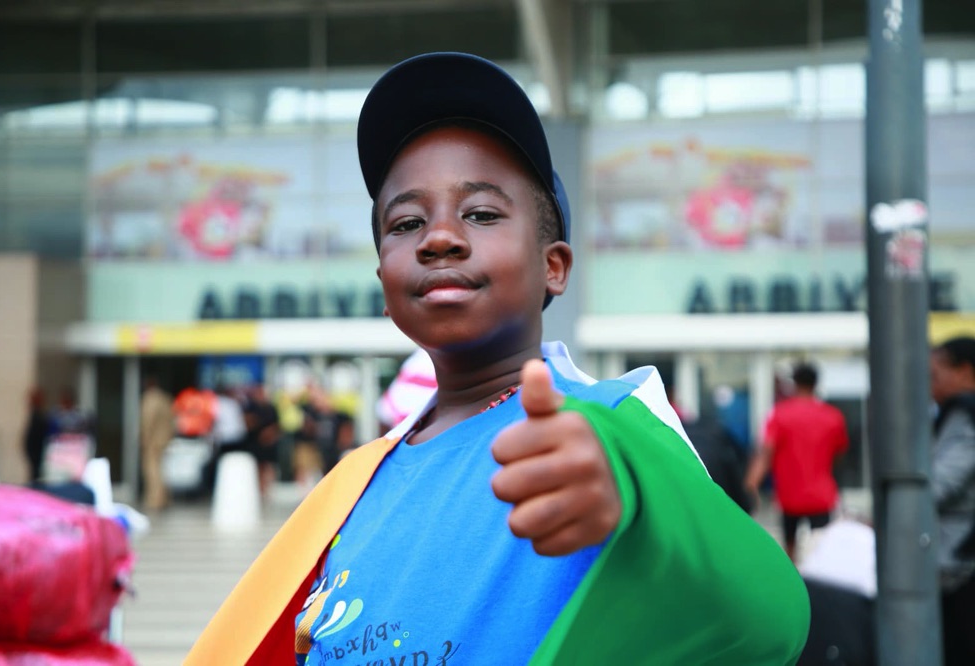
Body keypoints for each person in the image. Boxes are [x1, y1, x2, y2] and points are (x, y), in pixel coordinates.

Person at [186, 52, 808, 665]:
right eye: (405, 223)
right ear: (383, 281)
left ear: (553, 266)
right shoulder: (352, 484)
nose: (438, 237)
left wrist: (637, 498)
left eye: (481, 214)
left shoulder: (608, 426)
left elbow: (772, 617)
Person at [745, 362, 849, 560]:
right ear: (816, 384)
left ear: (794, 383)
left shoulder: (780, 414)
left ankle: (793, 579)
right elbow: (839, 453)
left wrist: (751, 484)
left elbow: (766, 453)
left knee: (790, 551)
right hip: (821, 495)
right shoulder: (832, 416)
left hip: (789, 496)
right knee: (821, 550)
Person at [929, 336, 975, 666]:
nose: (930, 385)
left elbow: (940, 484)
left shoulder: (964, 412)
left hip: (960, 561)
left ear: (965, 372)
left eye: (935, 375)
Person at [140, 375, 175, 511]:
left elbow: (148, 421)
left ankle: (155, 500)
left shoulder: (150, 399)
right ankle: (164, 498)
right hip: (165, 440)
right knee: (162, 470)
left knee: (153, 471)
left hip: (153, 441)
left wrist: (145, 438)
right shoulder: (165, 398)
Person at [22, 387, 51, 483]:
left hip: (39, 449)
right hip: (34, 450)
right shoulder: (35, 415)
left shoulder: (39, 416)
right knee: (35, 473)